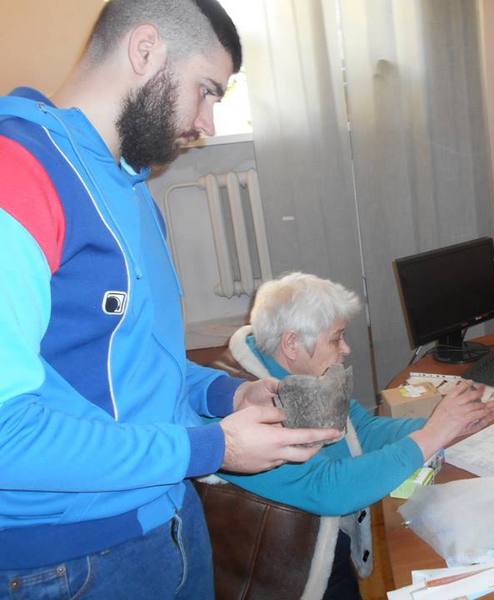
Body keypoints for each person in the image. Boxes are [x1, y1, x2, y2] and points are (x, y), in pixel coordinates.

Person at [0, 2, 339, 598]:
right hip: (71, 560)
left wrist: (229, 394)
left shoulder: (128, 186)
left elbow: (137, 366)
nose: (208, 124)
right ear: (145, 50)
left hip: (171, 519)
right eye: (206, 91)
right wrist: (215, 446)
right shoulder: (18, 173)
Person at [202, 272, 494, 599]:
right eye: (336, 338)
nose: (345, 349)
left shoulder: (300, 372)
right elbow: (327, 487)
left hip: (323, 544)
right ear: (291, 343)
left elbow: (363, 431)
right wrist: (433, 434)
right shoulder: (239, 413)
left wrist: (448, 424)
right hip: (283, 581)